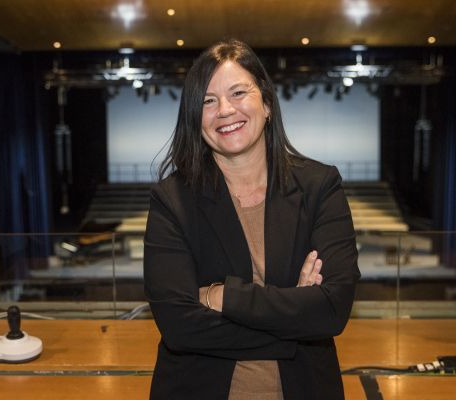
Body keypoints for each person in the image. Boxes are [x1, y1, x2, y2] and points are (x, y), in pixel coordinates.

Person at [144, 38, 360, 400]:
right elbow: (180, 327)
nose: (224, 110)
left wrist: (223, 296)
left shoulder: (319, 186)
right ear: (195, 118)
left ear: (267, 103)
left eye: (238, 93)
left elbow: (332, 310)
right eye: (208, 101)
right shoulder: (172, 198)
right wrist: (296, 320)